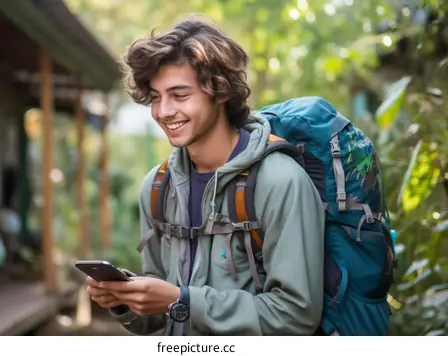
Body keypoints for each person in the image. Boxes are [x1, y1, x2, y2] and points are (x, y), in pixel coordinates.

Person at [85, 17, 325, 336]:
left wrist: (183, 299)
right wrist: (126, 299)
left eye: (179, 95)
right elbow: (161, 315)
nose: (163, 111)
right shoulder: (157, 187)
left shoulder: (279, 181)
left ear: (220, 91)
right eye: (156, 97)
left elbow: (296, 315)